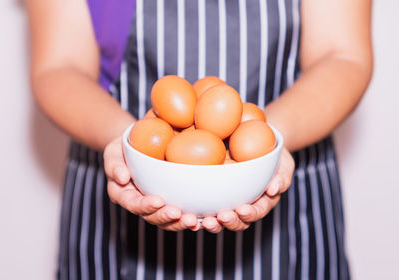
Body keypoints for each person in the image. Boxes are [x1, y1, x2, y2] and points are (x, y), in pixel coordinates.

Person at [26, 0, 372, 279]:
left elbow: (342, 55)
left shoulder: (261, 143)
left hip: (286, 197)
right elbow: (59, 65)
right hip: (118, 188)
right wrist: (129, 144)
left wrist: (267, 143)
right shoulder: (137, 148)